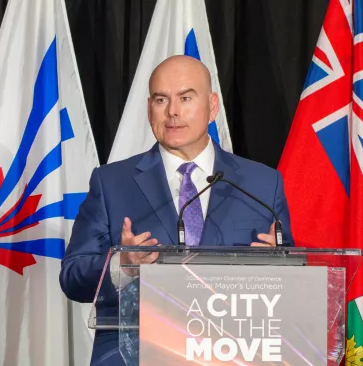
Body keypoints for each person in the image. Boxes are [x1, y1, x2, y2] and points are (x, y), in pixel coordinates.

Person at [60, 55, 293, 365]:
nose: (172, 111)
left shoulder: (262, 184)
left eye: (185, 97)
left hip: (236, 354)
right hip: (136, 354)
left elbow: (293, 277)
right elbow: (72, 275)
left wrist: (280, 269)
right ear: (148, 109)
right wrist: (122, 265)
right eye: (161, 99)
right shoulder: (111, 182)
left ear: (212, 106)